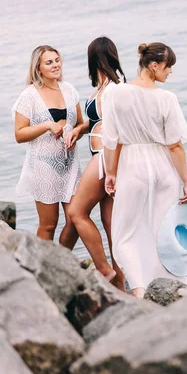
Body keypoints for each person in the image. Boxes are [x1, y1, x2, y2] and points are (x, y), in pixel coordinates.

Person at [102, 42, 187, 298]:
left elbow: (111, 139)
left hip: (132, 166)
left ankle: (140, 290)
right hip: (163, 166)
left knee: (125, 234)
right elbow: (175, 145)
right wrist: (186, 181)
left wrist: (111, 173)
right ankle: (176, 290)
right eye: (168, 66)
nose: (171, 72)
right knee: (164, 231)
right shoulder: (166, 98)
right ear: (154, 66)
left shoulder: (115, 94)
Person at [65, 37, 126, 287]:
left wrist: (114, 168)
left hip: (104, 159)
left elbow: (121, 129)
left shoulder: (114, 89)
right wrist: (78, 131)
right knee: (112, 228)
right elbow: (93, 123)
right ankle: (121, 288)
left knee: (76, 212)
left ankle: (104, 270)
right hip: (101, 158)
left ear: (94, 59)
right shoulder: (101, 89)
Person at [13, 45, 85, 247]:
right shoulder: (29, 96)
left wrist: (76, 132)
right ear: (38, 68)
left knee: (75, 219)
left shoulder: (69, 90)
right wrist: (46, 125)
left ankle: (60, 262)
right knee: (49, 224)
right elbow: (19, 134)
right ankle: (43, 267)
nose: (55, 65)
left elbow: (81, 123)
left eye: (57, 60)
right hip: (43, 167)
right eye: (49, 62)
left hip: (70, 166)